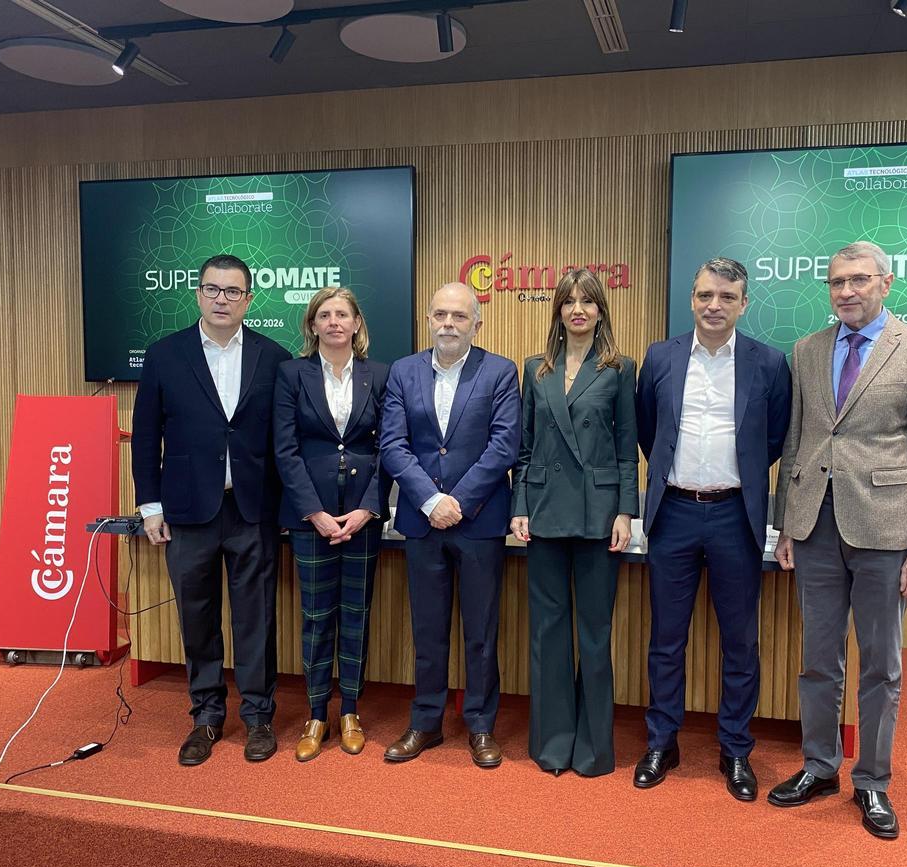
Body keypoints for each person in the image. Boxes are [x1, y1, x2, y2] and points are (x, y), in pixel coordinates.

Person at [769, 241, 907, 840]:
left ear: (886, 283)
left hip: (885, 533)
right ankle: (820, 767)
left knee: (881, 666)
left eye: (858, 280)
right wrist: (786, 525)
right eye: (836, 282)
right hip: (816, 528)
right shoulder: (807, 350)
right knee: (818, 661)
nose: (846, 291)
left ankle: (872, 781)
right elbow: (796, 443)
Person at [634, 257, 791, 799]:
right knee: (666, 638)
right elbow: (648, 429)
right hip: (673, 513)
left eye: (727, 297)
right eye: (705, 295)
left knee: (740, 641)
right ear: (692, 298)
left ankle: (736, 749)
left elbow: (774, 440)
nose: (714, 305)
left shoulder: (769, 364)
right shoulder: (660, 357)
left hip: (734, 514)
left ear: (743, 304)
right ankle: (662, 741)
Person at [132, 253, 291, 766]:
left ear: (248, 300)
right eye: (213, 289)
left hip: (253, 510)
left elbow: (282, 442)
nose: (222, 299)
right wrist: (150, 505)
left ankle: (259, 716)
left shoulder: (275, 357)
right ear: (198, 294)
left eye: (233, 291)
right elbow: (146, 438)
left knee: (255, 617)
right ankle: (205, 715)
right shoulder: (164, 355)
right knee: (196, 616)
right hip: (186, 511)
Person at [379, 282, 520, 767]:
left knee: (481, 631)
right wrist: (430, 499)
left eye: (459, 316)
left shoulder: (500, 372)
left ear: (476, 323)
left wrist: (456, 501)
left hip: (478, 523)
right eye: (440, 314)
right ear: (428, 320)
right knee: (429, 630)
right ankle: (425, 723)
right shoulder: (403, 371)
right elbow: (393, 446)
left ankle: (481, 725)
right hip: (423, 523)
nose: (448, 324)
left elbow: (504, 446)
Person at [509, 268, 638, 777]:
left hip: (598, 514)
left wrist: (626, 510)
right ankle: (552, 743)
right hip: (542, 512)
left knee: (594, 633)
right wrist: (518, 504)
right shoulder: (535, 368)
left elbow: (628, 449)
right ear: (558, 311)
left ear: (601, 311)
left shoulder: (620, 369)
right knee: (547, 632)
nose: (578, 309)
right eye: (569, 302)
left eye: (588, 301)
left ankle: (593, 750)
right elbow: (522, 447)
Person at [273, 287, 391, 761]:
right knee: (318, 617)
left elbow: (390, 447)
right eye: (325, 315)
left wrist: (367, 509)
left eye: (343, 314)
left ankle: (351, 710)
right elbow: (284, 449)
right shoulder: (291, 375)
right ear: (313, 324)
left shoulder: (379, 375)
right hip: (311, 517)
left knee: (357, 615)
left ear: (357, 323)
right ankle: (317, 712)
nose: (335, 321)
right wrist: (315, 513)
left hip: (363, 517)